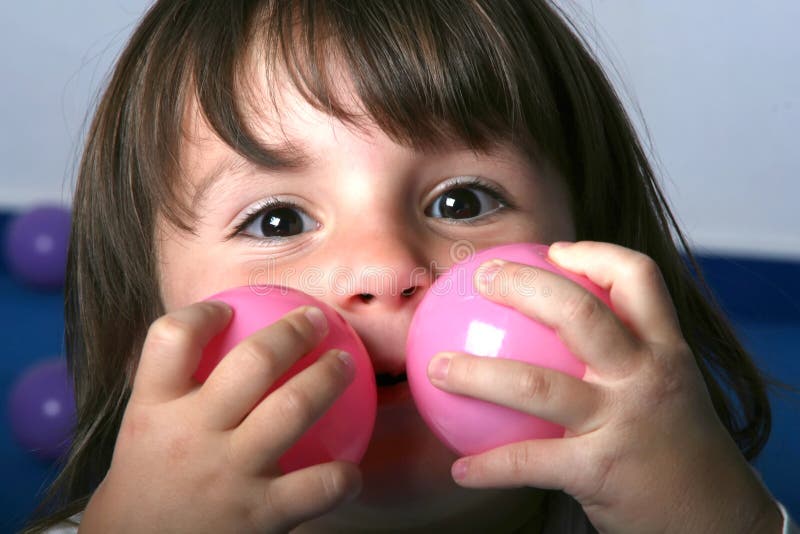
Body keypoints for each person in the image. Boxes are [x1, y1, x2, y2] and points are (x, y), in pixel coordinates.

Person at [23, 1, 798, 532]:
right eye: (277, 219)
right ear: (143, 326)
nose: (385, 265)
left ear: (596, 261)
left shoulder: (675, 506)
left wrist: (715, 516)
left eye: (462, 202)